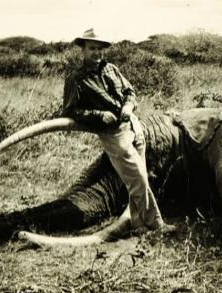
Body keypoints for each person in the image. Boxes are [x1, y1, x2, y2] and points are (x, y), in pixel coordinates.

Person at [63, 28, 173, 234]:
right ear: (83, 50)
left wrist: (128, 106)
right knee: (138, 178)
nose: (97, 53)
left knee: (137, 180)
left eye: (100, 49)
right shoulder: (76, 78)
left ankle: (138, 224)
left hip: (133, 125)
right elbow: (70, 110)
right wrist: (98, 115)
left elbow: (129, 91)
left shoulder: (111, 69)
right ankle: (157, 224)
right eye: (92, 48)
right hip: (113, 133)